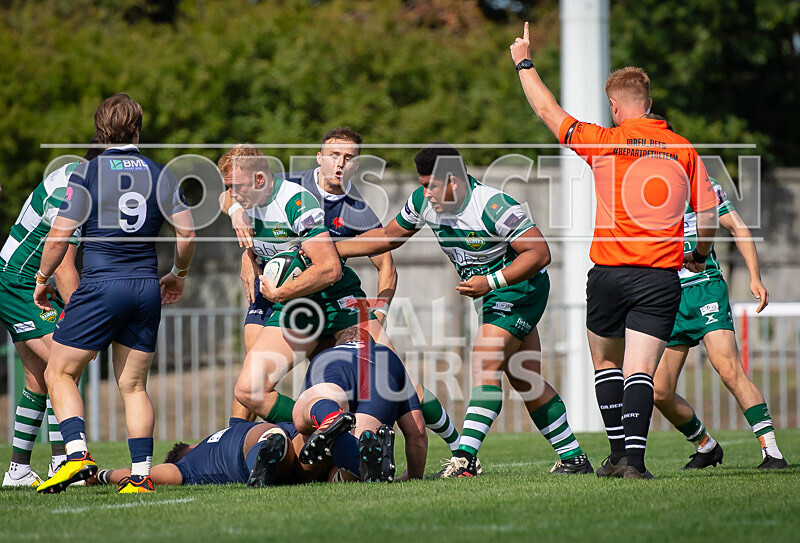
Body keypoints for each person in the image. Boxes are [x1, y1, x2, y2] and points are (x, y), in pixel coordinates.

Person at [510, 23, 719, 478]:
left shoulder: (603, 141)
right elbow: (707, 216)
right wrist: (699, 255)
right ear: (649, 101)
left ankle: (618, 455)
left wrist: (524, 61)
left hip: (607, 273)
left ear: (614, 105)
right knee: (641, 372)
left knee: (606, 363)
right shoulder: (683, 148)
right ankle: (636, 464)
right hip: (659, 276)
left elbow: (548, 111)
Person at [335, 144, 592, 478]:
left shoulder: (492, 206)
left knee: (484, 363)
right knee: (524, 377)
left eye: (431, 186)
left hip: (519, 289)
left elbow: (539, 252)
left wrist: (492, 281)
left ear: (454, 180)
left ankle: (465, 459)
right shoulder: (422, 202)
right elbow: (388, 238)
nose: (425, 193)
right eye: (422, 184)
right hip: (491, 293)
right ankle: (574, 457)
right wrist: (332, 248)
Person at [221, 129, 460, 454]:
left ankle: (461, 448)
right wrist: (243, 241)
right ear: (319, 157)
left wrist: (380, 312)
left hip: (335, 300)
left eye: (348, 158)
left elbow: (386, 265)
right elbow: (230, 190)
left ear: (356, 164)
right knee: (250, 383)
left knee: (400, 382)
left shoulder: (357, 211)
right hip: (285, 299)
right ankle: (240, 444)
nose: (339, 164)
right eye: (334, 155)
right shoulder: (284, 183)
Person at [33, 93, 196, 494]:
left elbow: (59, 237)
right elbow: (188, 233)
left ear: (100, 128)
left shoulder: (86, 172)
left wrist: (42, 278)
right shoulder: (162, 173)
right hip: (145, 287)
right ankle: (140, 476)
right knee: (134, 387)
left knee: (59, 371)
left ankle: (76, 455)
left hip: (102, 284)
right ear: (138, 127)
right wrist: (178, 274)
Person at [643, 117, 787, 469]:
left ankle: (772, 452)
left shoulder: (701, 185)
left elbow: (738, 227)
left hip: (705, 289)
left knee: (727, 368)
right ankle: (707, 446)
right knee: (658, 390)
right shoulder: (639, 191)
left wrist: (755, 276)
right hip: (668, 296)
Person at [0, 143, 101, 487]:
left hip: (18, 280)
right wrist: (81, 320)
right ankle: (64, 462)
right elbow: (64, 266)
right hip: (20, 283)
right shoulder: (72, 193)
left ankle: (18, 471)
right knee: (66, 363)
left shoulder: (78, 178)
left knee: (39, 379)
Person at [292, 327, 427, 482]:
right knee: (360, 455)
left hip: (333, 365)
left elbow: (306, 434)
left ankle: (330, 415)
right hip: (379, 376)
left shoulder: (324, 355)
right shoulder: (389, 356)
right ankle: (370, 467)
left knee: (303, 417)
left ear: (340, 343)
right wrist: (414, 475)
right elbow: (417, 431)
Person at [93, 419, 332, 488]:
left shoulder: (188, 465)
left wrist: (101, 475)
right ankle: (341, 462)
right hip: (266, 430)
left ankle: (268, 452)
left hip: (241, 453)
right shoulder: (217, 435)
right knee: (309, 454)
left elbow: (140, 476)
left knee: (296, 463)